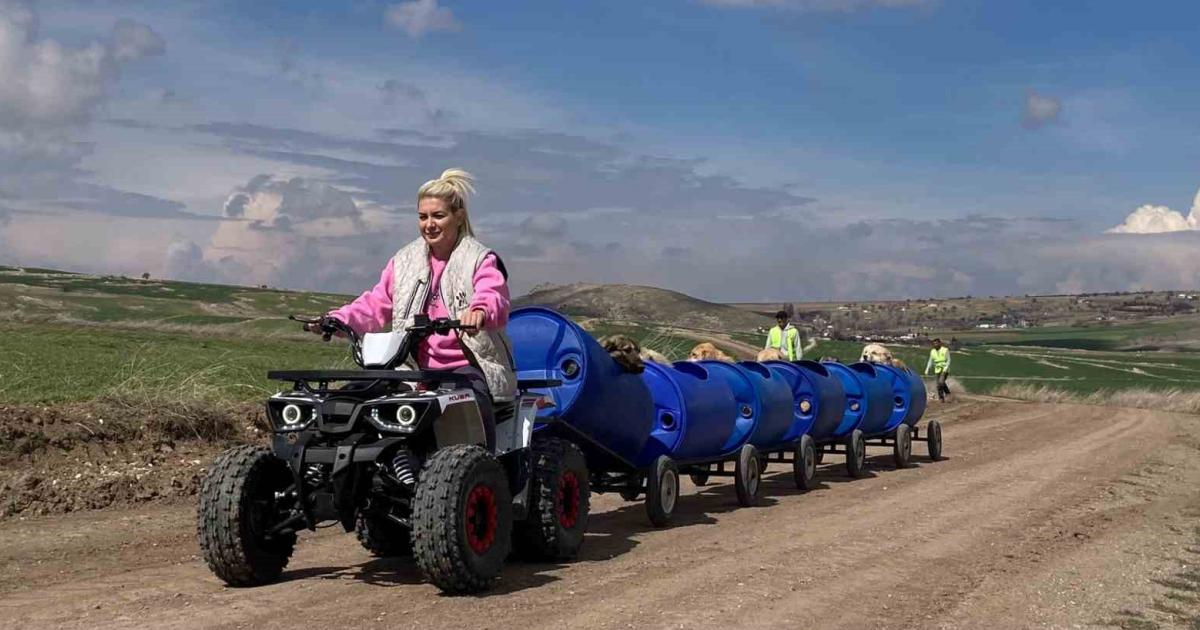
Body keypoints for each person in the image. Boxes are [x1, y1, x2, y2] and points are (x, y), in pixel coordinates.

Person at [311, 168, 516, 450]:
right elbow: (376, 303)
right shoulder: (404, 261)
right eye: (423, 217)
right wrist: (335, 320)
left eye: (438, 216)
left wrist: (479, 311)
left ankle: (484, 476)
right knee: (349, 401)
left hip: (466, 367)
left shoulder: (479, 258)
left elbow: (493, 295)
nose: (429, 224)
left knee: (470, 417)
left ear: (458, 216)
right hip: (411, 370)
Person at [924, 337, 952, 402]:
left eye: (937, 343)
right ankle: (948, 394)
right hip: (937, 369)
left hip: (945, 369)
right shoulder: (932, 351)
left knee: (940, 383)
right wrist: (927, 369)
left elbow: (948, 360)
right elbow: (930, 361)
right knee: (939, 384)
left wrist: (945, 368)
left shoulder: (945, 350)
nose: (935, 345)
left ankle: (941, 398)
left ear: (940, 343)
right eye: (934, 344)